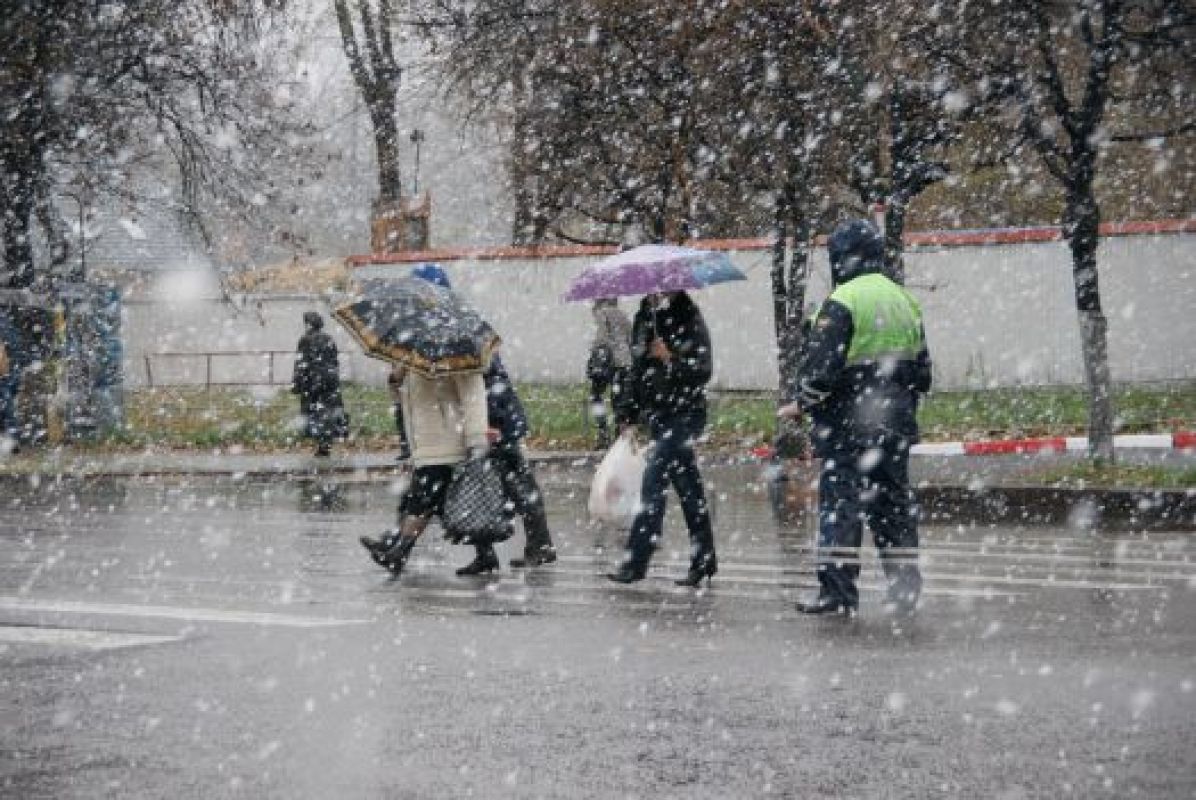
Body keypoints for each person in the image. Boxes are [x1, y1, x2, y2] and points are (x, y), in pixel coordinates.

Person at [779, 218, 932, 616]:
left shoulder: (842, 301)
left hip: (848, 426)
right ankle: (904, 589)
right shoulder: (904, 300)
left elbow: (821, 370)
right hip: (895, 424)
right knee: (893, 506)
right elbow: (923, 374)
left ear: (842, 258)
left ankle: (838, 592)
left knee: (841, 506)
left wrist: (801, 402)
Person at [607, 290, 717, 587]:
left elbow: (703, 370)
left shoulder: (689, 318)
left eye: (663, 289)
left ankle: (636, 561)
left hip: (684, 415)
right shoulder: (645, 318)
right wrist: (627, 412)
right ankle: (704, 559)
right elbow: (637, 369)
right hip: (659, 415)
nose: (657, 294)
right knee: (689, 489)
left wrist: (670, 358)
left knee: (652, 483)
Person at [482, 349, 558, 569]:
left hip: (502, 432)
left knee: (522, 491)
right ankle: (540, 546)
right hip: (506, 430)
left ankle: (540, 547)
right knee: (522, 491)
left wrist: (493, 423)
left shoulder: (482, 359)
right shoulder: (486, 355)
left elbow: (495, 393)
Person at [291, 311, 347, 457]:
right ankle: (326, 442)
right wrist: (332, 375)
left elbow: (301, 362)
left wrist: (297, 383)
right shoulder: (329, 338)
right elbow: (335, 360)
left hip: (313, 381)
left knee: (315, 412)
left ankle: (322, 444)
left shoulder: (305, 339)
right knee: (328, 411)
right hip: (330, 380)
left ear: (308, 324)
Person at [586, 298, 632, 449]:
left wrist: (593, 347)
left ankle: (603, 432)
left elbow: (602, 339)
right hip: (624, 362)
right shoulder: (623, 315)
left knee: (596, 396)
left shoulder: (602, 313)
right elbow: (630, 339)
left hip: (608, 363)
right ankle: (619, 435)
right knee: (618, 399)